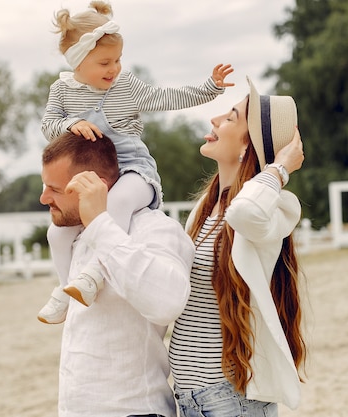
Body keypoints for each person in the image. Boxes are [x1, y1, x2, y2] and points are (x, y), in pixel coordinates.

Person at [38, 0, 234, 324]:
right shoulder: (61, 92)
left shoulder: (125, 86)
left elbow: (166, 97)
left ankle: (94, 275)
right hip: (92, 174)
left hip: (132, 170)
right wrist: (69, 124)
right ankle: (63, 288)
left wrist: (209, 88)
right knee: (57, 234)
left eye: (117, 59)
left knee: (116, 203)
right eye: (104, 62)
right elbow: (48, 125)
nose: (113, 68)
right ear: (78, 61)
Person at [168, 77, 307, 416]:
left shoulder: (273, 209)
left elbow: (244, 212)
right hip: (190, 398)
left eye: (230, 117)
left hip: (230, 399)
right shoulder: (204, 207)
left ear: (248, 147)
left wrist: (280, 168)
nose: (214, 119)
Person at [39, 131, 194, 417]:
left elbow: (168, 303)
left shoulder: (155, 230)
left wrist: (101, 224)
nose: (43, 197)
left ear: (94, 186)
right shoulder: (76, 236)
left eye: (55, 190)